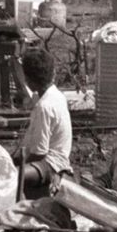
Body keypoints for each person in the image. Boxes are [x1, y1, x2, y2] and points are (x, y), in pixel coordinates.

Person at [13, 48, 71, 199]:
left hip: (50, 165)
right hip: (57, 160)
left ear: (29, 80)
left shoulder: (43, 107)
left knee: (12, 176)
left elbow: (39, 153)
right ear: (53, 73)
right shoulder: (57, 96)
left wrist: (14, 165)